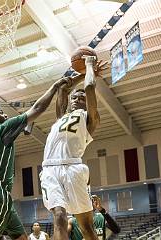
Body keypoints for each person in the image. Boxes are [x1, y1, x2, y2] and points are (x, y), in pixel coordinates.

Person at [0, 76, 73, 240]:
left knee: (21, 237)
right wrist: (54, 87)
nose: (4, 114)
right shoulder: (2, 128)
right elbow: (37, 109)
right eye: (0, 113)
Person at [40, 54, 108, 240]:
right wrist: (83, 72)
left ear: (87, 103)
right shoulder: (61, 116)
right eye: (75, 96)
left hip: (73, 168)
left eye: (82, 97)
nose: (77, 97)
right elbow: (63, 87)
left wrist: (89, 66)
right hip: (49, 169)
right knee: (60, 216)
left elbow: (89, 86)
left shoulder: (90, 119)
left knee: (86, 227)